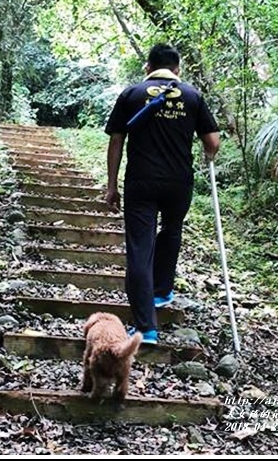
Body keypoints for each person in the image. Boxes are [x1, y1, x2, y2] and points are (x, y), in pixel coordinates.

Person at [104, 43, 220, 345]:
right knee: (171, 230)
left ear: (147, 67)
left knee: (140, 249)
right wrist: (206, 150)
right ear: (177, 69)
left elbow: (116, 140)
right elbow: (213, 142)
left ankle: (147, 328)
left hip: (141, 181)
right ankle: (162, 291)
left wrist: (111, 185)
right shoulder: (193, 96)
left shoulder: (132, 94)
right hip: (178, 182)